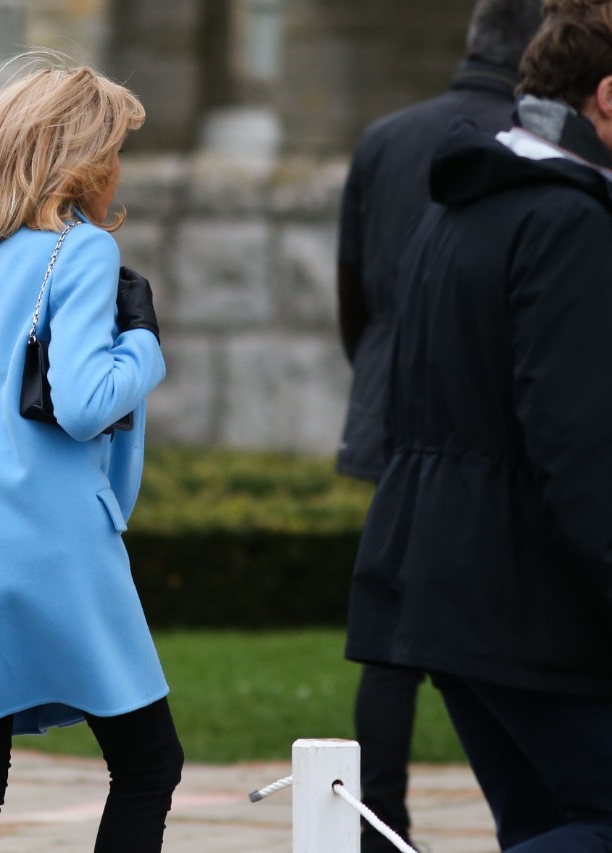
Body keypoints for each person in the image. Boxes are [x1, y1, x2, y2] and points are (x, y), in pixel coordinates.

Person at [0, 60, 184, 852]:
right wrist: (146, 344)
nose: (120, 166)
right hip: (53, 543)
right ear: (83, 157)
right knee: (149, 763)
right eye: (115, 148)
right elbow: (87, 401)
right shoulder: (81, 250)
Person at [345, 0, 612, 848]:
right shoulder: (566, 220)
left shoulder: (465, 204)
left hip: (452, 589)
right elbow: (580, 447)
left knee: (546, 823)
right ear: (608, 98)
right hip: (526, 602)